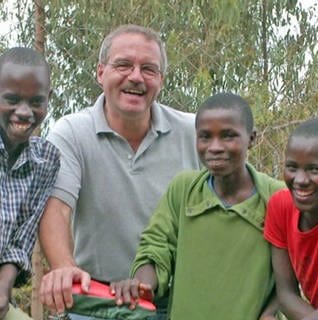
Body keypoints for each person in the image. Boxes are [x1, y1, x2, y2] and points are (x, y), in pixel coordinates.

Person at [38, 24, 200, 319]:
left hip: (177, 300)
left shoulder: (196, 133)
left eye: (148, 69)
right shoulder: (72, 132)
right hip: (97, 300)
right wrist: (63, 267)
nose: (136, 77)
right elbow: (57, 209)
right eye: (123, 64)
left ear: (160, 80)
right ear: (101, 73)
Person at [111, 93, 286, 320]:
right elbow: (156, 247)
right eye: (205, 137)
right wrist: (141, 284)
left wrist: (270, 313)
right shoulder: (184, 190)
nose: (215, 147)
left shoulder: (276, 198)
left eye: (228, 136)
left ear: (251, 138)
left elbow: (294, 274)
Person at [0, 47, 60, 319]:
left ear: (48, 100)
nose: (24, 112)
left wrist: (3, 291)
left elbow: (20, 240)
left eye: (36, 102)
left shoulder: (45, 160)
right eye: (11, 99)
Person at [264, 117, 318, 320]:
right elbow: (286, 294)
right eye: (292, 167)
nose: (301, 180)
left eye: (315, 169)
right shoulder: (281, 206)